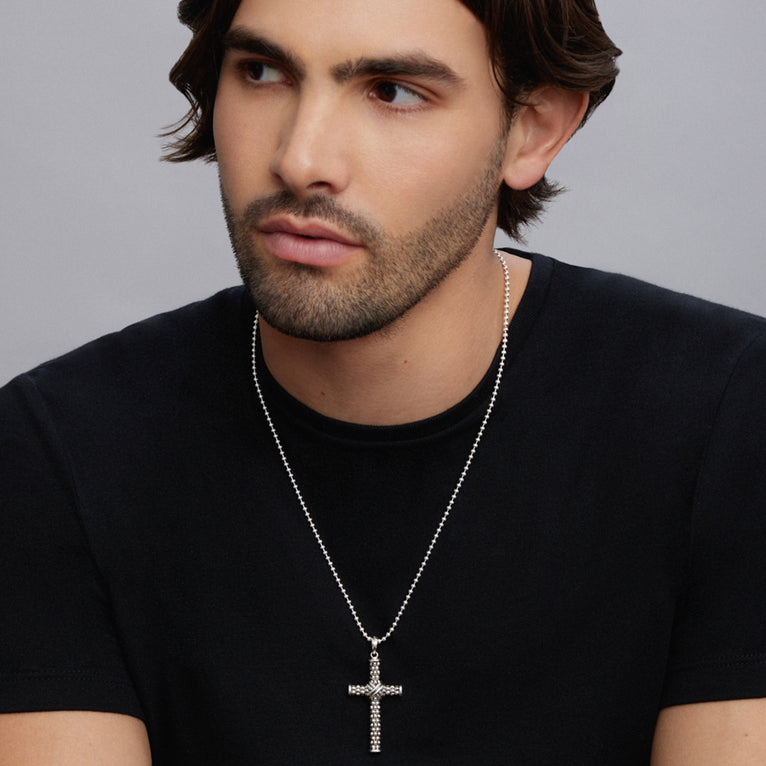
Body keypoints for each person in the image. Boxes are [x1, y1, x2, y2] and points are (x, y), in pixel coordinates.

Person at [0, 0, 764, 763]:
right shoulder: (54, 448)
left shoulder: (731, 413)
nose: (301, 159)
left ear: (534, 130)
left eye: (393, 90)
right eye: (261, 72)